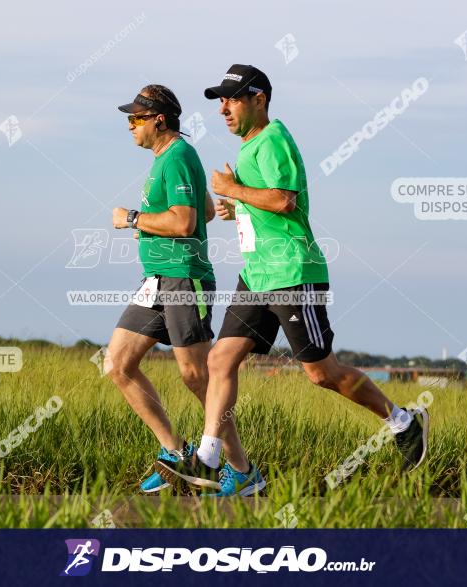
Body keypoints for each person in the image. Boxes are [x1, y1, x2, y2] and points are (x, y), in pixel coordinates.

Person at [155, 65, 429, 496]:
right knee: (219, 361)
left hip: (292, 274)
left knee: (321, 374)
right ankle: (208, 458)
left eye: (232, 99)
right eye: (219, 101)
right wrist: (238, 209)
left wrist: (232, 189)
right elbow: (268, 204)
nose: (223, 109)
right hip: (257, 275)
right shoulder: (250, 147)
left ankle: (403, 422)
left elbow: (285, 200)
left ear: (259, 99)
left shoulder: (274, 139)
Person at [107, 84, 239, 493]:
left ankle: (242, 468)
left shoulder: (178, 155)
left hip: (185, 279)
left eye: (137, 119)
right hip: (157, 280)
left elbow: (184, 222)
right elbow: (203, 213)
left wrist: (133, 219)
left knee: (197, 376)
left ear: (158, 120)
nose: (131, 126)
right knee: (117, 365)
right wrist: (151, 231)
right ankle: (175, 451)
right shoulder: (169, 159)